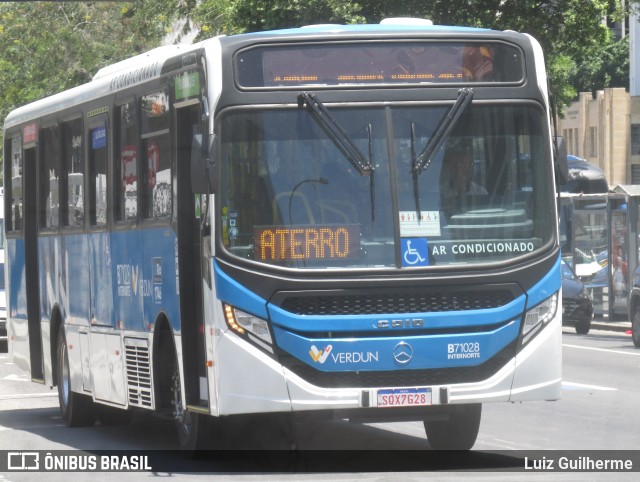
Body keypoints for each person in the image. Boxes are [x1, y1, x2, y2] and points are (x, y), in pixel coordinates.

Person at [440, 145, 487, 214]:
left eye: (468, 165)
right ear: (451, 169)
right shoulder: (440, 192)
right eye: (461, 165)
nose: (465, 170)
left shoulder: (480, 192)